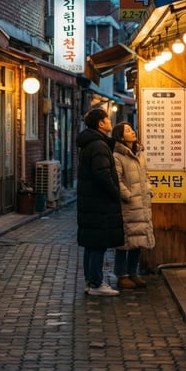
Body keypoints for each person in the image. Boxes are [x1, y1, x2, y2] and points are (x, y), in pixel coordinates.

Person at [76, 107, 125, 296]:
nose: (110, 121)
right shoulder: (98, 145)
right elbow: (102, 174)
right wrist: (115, 192)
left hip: (91, 203)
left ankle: (91, 281)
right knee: (98, 244)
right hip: (99, 203)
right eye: (107, 118)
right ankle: (96, 283)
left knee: (92, 244)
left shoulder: (92, 143)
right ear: (100, 123)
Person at [111, 122, 155, 290]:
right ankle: (122, 276)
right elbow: (117, 179)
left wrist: (148, 190)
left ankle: (133, 273)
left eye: (131, 129)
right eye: (128, 130)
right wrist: (127, 195)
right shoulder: (117, 156)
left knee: (138, 240)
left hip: (142, 202)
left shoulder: (139, 153)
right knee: (125, 241)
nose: (132, 132)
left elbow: (146, 175)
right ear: (121, 136)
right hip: (128, 205)